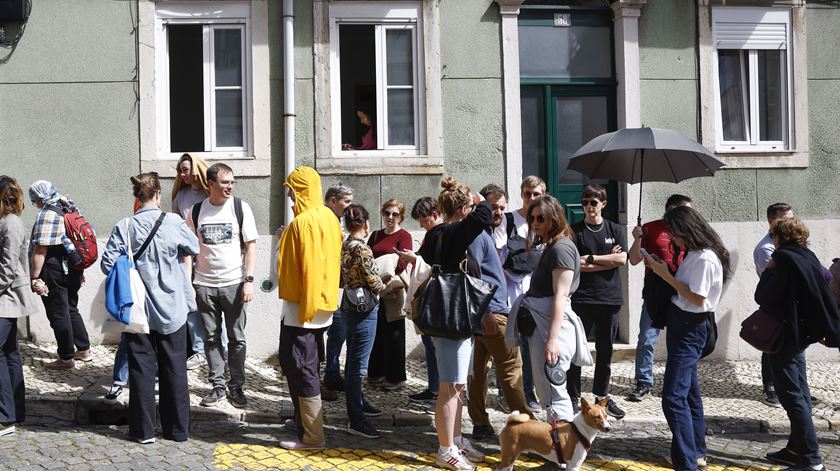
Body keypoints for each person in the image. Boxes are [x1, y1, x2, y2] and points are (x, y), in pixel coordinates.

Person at [398, 178, 491, 471]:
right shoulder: (453, 232)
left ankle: (457, 439)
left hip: (446, 317)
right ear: (462, 210)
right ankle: (446, 449)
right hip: (452, 319)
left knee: (457, 385)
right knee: (449, 388)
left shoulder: (435, 234)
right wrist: (478, 198)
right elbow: (485, 216)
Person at [100, 172, 199, 444]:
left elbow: (107, 265)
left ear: (136, 197)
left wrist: (128, 262)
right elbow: (192, 247)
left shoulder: (125, 226)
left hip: (138, 310)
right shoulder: (173, 222)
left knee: (141, 371)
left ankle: (142, 431)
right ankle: (177, 430)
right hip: (172, 308)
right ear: (158, 195)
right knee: (175, 369)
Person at [646, 205, 730, 471]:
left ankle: (687, 463)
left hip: (690, 327)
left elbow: (697, 297)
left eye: (673, 231)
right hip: (683, 324)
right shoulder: (694, 254)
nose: (671, 237)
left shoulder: (704, 258)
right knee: (690, 394)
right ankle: (696, 453)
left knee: (672, 398)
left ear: (686, 229)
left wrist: (664, 275)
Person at [756, 218, 839, 471]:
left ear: (779, 237)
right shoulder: (807, 255)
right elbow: (824, 282)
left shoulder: (783, 260)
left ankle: (811, 460)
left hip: (785, 335)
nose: (771, 239)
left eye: (773, 235)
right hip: (800, 334)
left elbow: (763, 296)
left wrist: (769, 270)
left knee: (792, 396)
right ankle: (794, 449)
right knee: (800, 391)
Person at [276, 166, 343, 450]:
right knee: (301, 365)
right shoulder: (328, 216)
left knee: (302, 367)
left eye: (292, 190)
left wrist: (306, 307)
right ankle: (303, 422)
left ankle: (313, 436)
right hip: (317, 305)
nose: (290, 196)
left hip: (304, 308)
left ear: (301, 190)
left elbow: (310, 267)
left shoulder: (303, 222)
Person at [505, 193, 583, 423]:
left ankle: (562, 453)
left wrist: (552, 338)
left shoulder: (561, 249)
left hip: (550, 327)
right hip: (542, 324)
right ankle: (557, 447)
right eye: (532, 218)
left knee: (554, 392)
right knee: (548, 391)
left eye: (541, 218)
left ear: (554, 218)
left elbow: (560, 296)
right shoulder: (551, 247)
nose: (535, 223)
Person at [187, 163, 258, 408]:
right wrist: (190, 282)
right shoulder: (196, 212)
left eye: (232, 182)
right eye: (225, 182)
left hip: (234, 284)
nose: (230, 186)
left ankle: (236, 385)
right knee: (210, 338)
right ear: (211, 184)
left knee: (237, 338)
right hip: (204, 285)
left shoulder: (240, 208)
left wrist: (248, 281)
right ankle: (217, 385)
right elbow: (187, 251)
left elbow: (251, 246)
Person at [466, 186, 534, 442]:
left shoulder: (490, 232)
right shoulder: (477, 235)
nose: (499, 212)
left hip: (490, 311)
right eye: (494, 208)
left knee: (480, 371)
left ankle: (480, 423)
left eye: (503, 208)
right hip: (491, 312)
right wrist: (485, 312)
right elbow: (475, 275)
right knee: (511, 369)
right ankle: (526, 426)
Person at [483, 178, 545, 413]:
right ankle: (504, 392)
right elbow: (497, 256)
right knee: (507, 344)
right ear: (522, 194)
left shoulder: (543, 221)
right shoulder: (508, 220)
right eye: (528, 193)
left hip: (532, 291)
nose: (531, 198)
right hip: (508, 290)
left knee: (528, 344)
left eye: (536, 194)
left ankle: (527, 391)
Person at [568, 184, 627, 419]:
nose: (589, 207)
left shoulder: (614, 228)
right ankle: (573, 397)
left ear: (603, 204)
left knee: (605, 352)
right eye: (585, 202)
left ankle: (602, 397)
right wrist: (606, 260)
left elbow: (621, 259)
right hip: (583, 298)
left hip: (609, 298)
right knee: (576, 351)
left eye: (593, 202)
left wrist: (592, 258)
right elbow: (576, 264)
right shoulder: (575, 231)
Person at [626, 194, 692, 402]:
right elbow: (634, 260)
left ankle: (676, 381)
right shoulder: (650, 228)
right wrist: (637, 239)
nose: (690, 215)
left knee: (679, 340)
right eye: (685, 210)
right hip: (655, 291)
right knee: (646, 338)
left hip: (681, 290)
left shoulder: (691, 231)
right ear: (671, 209)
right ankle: (644, 382)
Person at [28, 180, 92, 369]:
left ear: (40, 198)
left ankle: (66, 358)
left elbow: (41, 250)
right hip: (73, 266)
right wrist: (80, 272)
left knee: (58, 312)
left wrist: (34, 277)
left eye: (35, 201)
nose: (36, 205)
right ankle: (84, 349)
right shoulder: (70, 207)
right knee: (71, 308)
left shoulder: (47, 214)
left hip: (54, 269)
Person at [339, 204, 386, 439]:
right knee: (358, 366)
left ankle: (359, 403)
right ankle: (356, 418)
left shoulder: (345, 244)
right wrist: (391, 284)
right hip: (365, 308)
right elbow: (373, 280)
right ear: (366, 224)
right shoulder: (363, 249)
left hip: (348, 304)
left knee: (353, 361)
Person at [0, 176, 37, 436]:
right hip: (6, 297)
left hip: (6, 297)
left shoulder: (11, 223)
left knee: (3, 354)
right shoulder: (7, 222)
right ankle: (15, 412)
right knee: (10, 352)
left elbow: (7, 267)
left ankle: (6, 416)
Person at [170, 153, 213, 371]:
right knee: (191, 302)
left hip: (208, 255)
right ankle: (197, 349)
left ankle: (217, 349)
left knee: (213, 304)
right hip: (187, 256)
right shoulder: (181, 196)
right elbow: (175, 223)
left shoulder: (210, 194)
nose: (182, 174)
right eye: (180, 170)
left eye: (185, 170)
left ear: (196, 169)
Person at [366, 199, 412, 391]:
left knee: (394, 333)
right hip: (375, 289)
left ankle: (395, 377)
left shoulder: (404, 236)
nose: (390, 217)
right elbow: (367, 256)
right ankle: (376, 374)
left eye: (395, 214)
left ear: (401, 216)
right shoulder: (375, 235)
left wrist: (384, 271)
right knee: (375, 333)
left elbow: (403, 262)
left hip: (392, 290)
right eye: (387, 213)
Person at [753, 203, 794, 408]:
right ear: (772, 222)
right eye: (785, 219)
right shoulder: (766, 248)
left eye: (792, 218)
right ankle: (770, 387)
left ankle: (794, 388)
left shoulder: (791, 242)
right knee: (770, 344)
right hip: (775, 303)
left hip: (790, 304)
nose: (791, 223)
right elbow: (777, 279)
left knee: (791, 348)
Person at [405, 197, 443, 405]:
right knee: (429, 343)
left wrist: (415, 259)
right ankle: (433, 387)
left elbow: (434, 264)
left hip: (436, 297)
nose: (421, 225)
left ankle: (437, 391)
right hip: (427, 295)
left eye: (423, 220)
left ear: (435, 215)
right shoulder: (432, 233)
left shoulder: (442, 233)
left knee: (435, 345)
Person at [321, 184, 354, 399]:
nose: (350, 207)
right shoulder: (325, 220)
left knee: (340, 332)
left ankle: (332, 373)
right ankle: (328, 376)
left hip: (340, 286)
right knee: (335, 332)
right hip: (329, 287)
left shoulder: (340, 220)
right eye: (347, 202)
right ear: (333, 201)